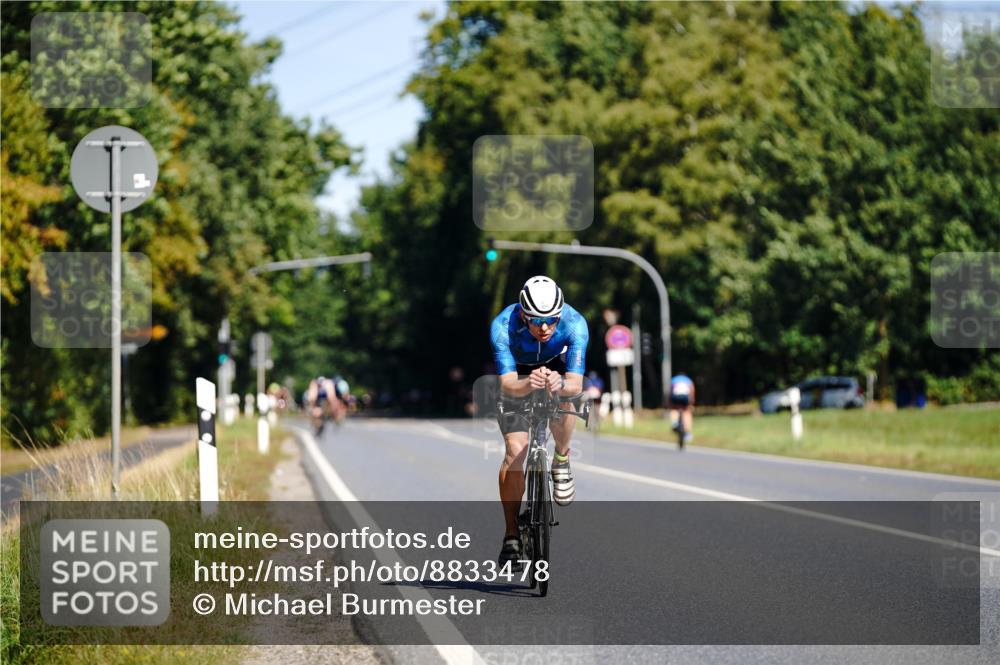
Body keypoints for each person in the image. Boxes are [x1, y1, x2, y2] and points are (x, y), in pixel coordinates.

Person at [490, 276, 589, 568]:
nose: (544, 328)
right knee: (514, 450)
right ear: (522, 313)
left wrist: (559, 384)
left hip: (557, 370)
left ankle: (561, 458)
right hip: (518, 378)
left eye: (551, 320)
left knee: (566, 402)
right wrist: (528, 384)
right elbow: (507, 384)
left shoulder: (574, 324)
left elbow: (576, 384)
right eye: (535, 320)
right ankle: (511, 535)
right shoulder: (502, 326)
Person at [669, 373, 695, 444]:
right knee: (687, 411)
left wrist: (670, 403)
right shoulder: (688, 380)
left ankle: (674, 423)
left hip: (675, 396)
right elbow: (692, 390)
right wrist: (691, 403)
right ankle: (687, 432)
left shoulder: (674, 379)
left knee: (674, 409)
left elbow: (671, 391)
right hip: (685, 397)